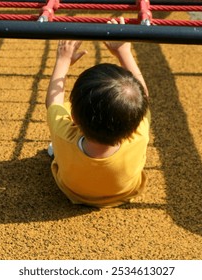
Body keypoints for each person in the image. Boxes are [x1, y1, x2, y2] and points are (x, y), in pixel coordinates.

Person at [46, 17, 150, 208]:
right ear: (135, 124)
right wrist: (123, 52)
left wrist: (63, 60)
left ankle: (57, 151)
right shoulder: (139, 134)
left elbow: (53, 102)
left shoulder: (64, 134)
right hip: (126, 192)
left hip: (72, 191)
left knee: (61, 128)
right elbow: (142, 95)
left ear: (74, 119)